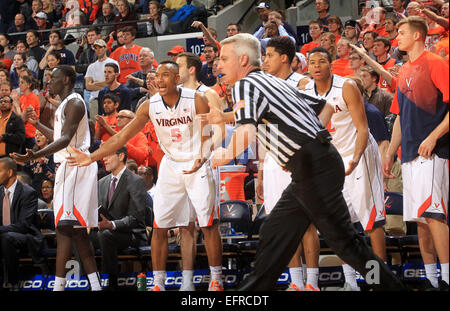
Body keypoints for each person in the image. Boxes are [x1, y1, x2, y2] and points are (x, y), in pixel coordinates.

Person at [205, 33, 404, 291]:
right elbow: (324, 108)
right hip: (315, 164)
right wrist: (302, 145)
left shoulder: (246, 84)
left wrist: (223, 155)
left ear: (243, 59)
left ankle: (391, 287)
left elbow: (246, 132)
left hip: (314, 166)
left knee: (347, 245)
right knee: (274, 234)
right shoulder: (274, 82)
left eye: (223, 59)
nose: (217, 65)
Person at [67, 61, 225, 292]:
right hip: (171, 165)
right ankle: (158, 283)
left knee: (208, 223)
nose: (159, 80)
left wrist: (203, 156)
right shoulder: (149, 106)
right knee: (159, 225)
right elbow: (121, 139)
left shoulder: (196, 99)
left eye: (166, 75)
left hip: (197, 162)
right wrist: (90, 157)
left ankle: (216, 280)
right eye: (157, 75)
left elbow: (208, 135)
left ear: (177, 79)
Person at [10, 65, 102, 291]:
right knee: (78, 233)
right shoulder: (64, 104)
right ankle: (96, 287)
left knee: (64, 228)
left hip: (76, 164)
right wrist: (36, 125)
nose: (49, 82)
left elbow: (66, 139)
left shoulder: (76, 102)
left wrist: (35, 155)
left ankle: (58, 286)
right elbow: (58, 137)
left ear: (68, 79)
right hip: (67, 165)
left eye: (54, 78)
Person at [304, 47, 388, 291]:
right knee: (340, 224)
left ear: (331, 65)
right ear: (308, 67)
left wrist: (355, 158)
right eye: (312, 62)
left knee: (372, 221)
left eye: (322, 61)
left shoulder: (347, 87)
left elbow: (363, 128)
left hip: (359, 155)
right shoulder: (305, 91)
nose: (317, 65)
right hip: (333, 162)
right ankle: (350, 282)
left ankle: (378, 282)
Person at [383, 16, 449, 290]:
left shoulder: (436, 63)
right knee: (421, 220)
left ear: (418, 36)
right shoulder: (404, 71)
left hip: (433, 152)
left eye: (401, 32)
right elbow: (398, 117)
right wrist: (390, 153)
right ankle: (432, 280)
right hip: (409, 154)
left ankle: (447, 278)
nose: (397, 37)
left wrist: (433, 137)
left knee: (435, 216)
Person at [260, 36, 320, 291]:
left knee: (307, 223)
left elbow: (313, 124)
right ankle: (296, 282)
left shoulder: (304, 84)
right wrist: (263, 169)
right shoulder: (263, 86)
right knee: (285, 225)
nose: (264, 61)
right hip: (273, 160)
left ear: (284, 58)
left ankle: (313, 283)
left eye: (269, 55)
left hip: (299, 159)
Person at [93, 146, 147, 291]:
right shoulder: (101, 182)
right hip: (105, 231)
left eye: (108, 155)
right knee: (78, 235)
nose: (104, 158)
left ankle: (112, 283)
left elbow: (137, 219)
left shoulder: (136, 181)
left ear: (121, 156)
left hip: (131, 233)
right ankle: (88, 281)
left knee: (105, 235)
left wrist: (112, 224)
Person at [0, 157, 43, 291]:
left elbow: (24, 225)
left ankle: (12, 282)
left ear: (10, 172)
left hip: (25, 236)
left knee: (6, 238)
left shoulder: (28, 193)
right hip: (3, 234)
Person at [85, 39, 119, 118]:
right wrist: (104, 84)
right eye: (96, 48)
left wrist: (95, 84)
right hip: (95, 99)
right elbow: (88, 86)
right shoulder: (91, 66)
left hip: (111, 97)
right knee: (96, 125)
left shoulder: (113, 63)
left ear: (105, 48)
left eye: (100, 47)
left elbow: (112, 82)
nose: (98, 50)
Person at [17, 75, 40, 150]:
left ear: (29, 85)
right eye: (19, 82)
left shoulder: (32, 97)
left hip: (30, 134)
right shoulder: (22, 97)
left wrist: (16, 105)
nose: (19, 84)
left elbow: (24, 118)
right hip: (23, 133)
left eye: (22, 82)